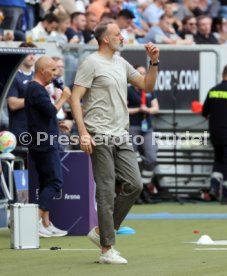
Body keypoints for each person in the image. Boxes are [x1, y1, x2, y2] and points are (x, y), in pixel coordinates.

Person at [71, 22, 159, 264]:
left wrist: (153, 63)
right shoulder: (90, 63)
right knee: (106, 191)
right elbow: (75, 99)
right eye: (118, 34)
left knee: (135, 184)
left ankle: (101, 232)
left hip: (121, 135)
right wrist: (83, 132)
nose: (123, 37)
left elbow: (147, 85)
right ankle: (106, 248)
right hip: (98, 134)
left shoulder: (121, 63)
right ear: (105, 40)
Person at [25, 56, 71, 237]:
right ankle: (32, 222)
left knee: (46, 182)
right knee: (55, 181)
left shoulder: (35, 89)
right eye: (52, 70)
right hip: (44, 143)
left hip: (42, 140)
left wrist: (57, 125)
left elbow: (41, 116)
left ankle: (45, 223)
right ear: (42, 70)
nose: (55, 74)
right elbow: (51, 110)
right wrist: (64, 98)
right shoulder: (36, 89)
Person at [127, 65, 160, 204]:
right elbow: (123, 109)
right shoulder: (127, 90)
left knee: (151, 158)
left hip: (147, 128)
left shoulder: (149, 89)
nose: (141, 75)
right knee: (133, 161)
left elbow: (156, 108)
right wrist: (138, 109)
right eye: (138, 73)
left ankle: (145, 187)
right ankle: (135, 191)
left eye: (143, 73)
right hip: (132, 126)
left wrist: (147, 109)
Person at [202, 65, 227, 201]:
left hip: (215, 134)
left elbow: (204, 112)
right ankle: (225, 195)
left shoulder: (213, 91)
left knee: (219, 161)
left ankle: (214, 186)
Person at [7, 42, 37, 144]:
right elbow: (12, 104)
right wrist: (33, 99)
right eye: (28, 53)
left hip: (36, 129)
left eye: (34, 54)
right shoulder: (14, 77)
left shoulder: (37, 77)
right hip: (19, 130)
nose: (32, 56)